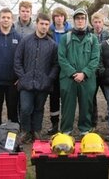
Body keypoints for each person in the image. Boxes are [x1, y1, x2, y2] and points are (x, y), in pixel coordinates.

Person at [14, 13, 59, 143]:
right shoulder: (25, 41)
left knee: (39, 108)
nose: (44, 26)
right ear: (37, 24)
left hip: (43, 83)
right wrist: (22, 77)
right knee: (26, 108)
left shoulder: (52, 45)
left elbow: (55, 64)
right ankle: (26, 131)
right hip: (26, 83)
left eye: (46, 24)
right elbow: (17, 60)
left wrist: (49, 79)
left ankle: (36, 130)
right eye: (41, 24)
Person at [58, 8, 100, 136]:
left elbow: (95, 59)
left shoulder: (93, 39)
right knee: (67, 107)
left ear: (86, 20)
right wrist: (72, 73)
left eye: (82, 18)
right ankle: (66, 131)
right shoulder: (66, 38)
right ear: (74, 20)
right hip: (68, 79)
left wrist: (84, 73)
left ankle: (84, 130)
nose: (80, 21)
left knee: (86, 106)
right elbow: (61, 58)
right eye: (77, 18)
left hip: (87, 79)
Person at [46, 7, 72, 135]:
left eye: (61, 16)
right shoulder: (49, 32)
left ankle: (66, 125)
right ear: (54, 18)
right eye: (56, 16)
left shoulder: (71, 31)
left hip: (67, 69)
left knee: (67, 98)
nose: (59, 18)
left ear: (64, 18)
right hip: (53, 68)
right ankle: (54, 124)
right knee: (54, 98)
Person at [90, 12, 109, 128]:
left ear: (103, 23)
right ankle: (93, 123)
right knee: (91, 98)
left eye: (99, 22)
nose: (97, 25)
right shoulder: (89, 35)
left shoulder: (108, 34)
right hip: (92, 72)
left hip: (106, 70)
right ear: (92, 23)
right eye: (95, 22)